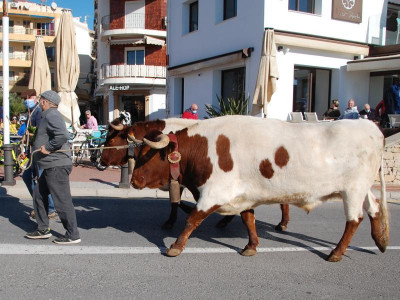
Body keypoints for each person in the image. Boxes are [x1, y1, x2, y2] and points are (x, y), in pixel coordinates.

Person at [25, 90, 80, 244]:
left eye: (41, 99)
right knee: (39, 195)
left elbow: (62, 135)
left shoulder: (52, 115)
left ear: (46, 102)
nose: (39, 102)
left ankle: (72, 234)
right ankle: (43, 228)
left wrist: (48, 147)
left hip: (56, 164)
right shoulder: (49, 115)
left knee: (62, 201)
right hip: (50, 164)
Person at [20, 89, 56, 220]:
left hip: (39, 152)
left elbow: (41, 133)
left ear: (34, 97)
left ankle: (49, 208)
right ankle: (42, 205)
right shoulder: (32, 112)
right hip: (33, 152)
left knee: (41, 180)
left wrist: (29, 135)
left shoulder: (39, 112)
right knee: (28, 176)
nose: (25, 101)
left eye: (27, 98)